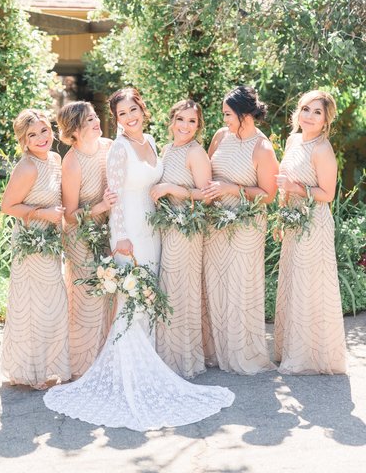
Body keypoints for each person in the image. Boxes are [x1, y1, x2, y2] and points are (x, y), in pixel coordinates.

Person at [44, 88, 234, 430]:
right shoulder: (119, 148)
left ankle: (146, 365)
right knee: (132, 300)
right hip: (128, 230)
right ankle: (127, 371)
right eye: (122, 114)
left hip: (152, 228)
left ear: (142, 110)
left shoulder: (149, 139)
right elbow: (114, 198)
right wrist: (122, 240)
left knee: (147, 298)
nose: (129, 117)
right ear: (116, 119)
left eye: (133, 110)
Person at [202, 85, 278, 374]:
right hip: (215, 222)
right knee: (216, 283)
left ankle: (243, 351)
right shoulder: (221, 137)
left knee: (240, 285)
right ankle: (218, 351)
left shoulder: (263, 148)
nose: (224, 120)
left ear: (245, 113)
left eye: (227, 114)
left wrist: (232, 189)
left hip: (247, 224)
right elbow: (207, 172)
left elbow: (268, 194)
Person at [274, 90, 347, 374]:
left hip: (314, 222)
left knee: (309, 285)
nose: (310, 116)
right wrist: (281, 218)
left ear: (326, 119)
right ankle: (291, 349)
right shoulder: (293, 141)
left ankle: (310, 355)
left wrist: (297, 189)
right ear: (298, 112)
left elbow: (327, 194)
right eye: (306, 109)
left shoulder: (322, 149)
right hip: (293, 221)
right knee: (293, 281)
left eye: (317, 112)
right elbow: (283, 182)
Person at [1, 109, 70, 390]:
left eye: (44, 130)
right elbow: (8, 207)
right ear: (24, 141)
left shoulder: (55, 159)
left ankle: (50, 365)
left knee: (52, 304)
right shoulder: (27, 167)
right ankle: (33, 370)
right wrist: (43, 214)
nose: (41, 137)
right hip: (31, 242)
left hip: (50, 242)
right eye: (32, 134)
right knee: (38, 306)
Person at [151, 99, 211, 378]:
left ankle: (182, 358)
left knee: (179, 288)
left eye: (192, 121)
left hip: (186, 228)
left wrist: (171, 188)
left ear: (198, 126)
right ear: (172, 120)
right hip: (167, 226)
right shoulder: (166, 149)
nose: (185, 126)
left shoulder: (196, 152)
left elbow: (206, 194)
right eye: (181, 119)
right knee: (168, 285)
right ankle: (165, 353)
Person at [57, 101, 117, 378]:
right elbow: (69, 216)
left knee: (111, 293)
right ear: (74, 132)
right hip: (81, 236)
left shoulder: (108, 146)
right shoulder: (72, 162)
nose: (95, 123)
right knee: (88, 298)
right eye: (87, 122)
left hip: (107, 229)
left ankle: (109, 358)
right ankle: (84, 365)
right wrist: (101, 208)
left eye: (94, 117)